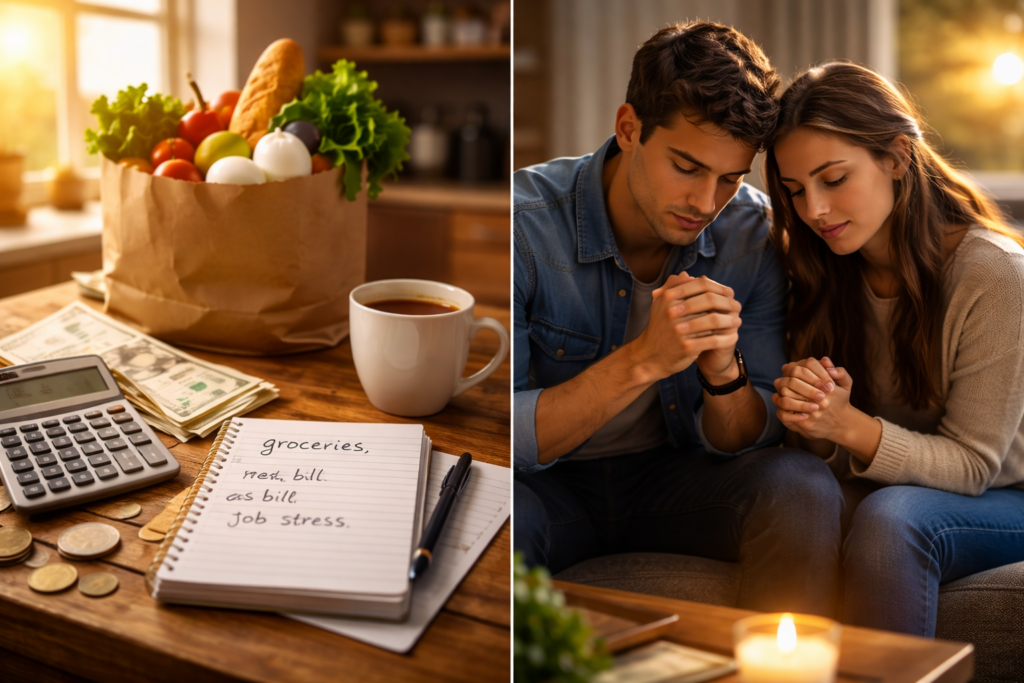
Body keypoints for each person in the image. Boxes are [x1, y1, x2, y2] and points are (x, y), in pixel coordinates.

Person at [513, 21, 843, 616]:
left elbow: (751, 433)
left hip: (675, 479)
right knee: (491, 510)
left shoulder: (752, 232)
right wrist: (645, 359)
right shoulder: (527, 224)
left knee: (799, 486)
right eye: (687, 167)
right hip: (546, 487)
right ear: (629, 128)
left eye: (730, 178)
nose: (705, 203)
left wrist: (724, 374)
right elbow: (500, 435)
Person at [766, 61, 1024, 637]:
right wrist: (810, 414)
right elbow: (819, 453)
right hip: (892, 482)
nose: (814, 211)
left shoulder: (995, 274)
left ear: (898, 158)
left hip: (1005, 496)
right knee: (793, 494)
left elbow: (974, 463)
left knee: (893, 518)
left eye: (833, 180)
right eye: (794, 190)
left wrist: (849, 424)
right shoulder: (819, 266)